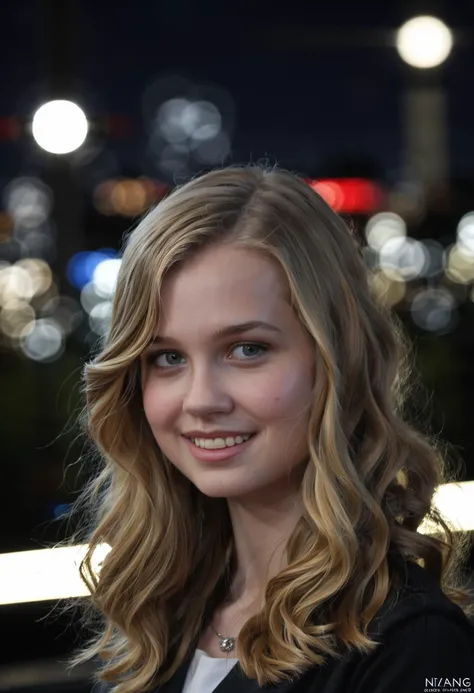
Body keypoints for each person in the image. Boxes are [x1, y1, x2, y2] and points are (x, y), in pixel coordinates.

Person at [64, 164, 474, 693]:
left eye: (247, 349)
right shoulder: (155, 616)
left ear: (336, 360)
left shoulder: (412, 643)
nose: (201, 400)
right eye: (166, 357)